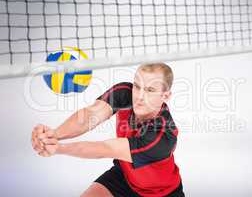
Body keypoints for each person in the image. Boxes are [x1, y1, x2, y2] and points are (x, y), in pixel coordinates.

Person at [31, 63, 185, 197]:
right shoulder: (125, 93)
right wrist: (53, 135)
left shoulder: (162, 135)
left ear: (165, 96)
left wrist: (58, 149)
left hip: (162, 193)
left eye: (150, 90)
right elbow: (90, 115)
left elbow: (106, 148)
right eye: (137, 86)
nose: (139, 96)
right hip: (124, 178)